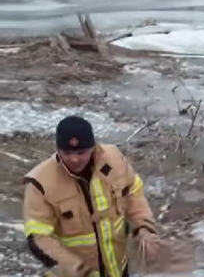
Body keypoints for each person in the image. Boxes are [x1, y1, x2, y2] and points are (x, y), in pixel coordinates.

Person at [23, 116, 161, 277]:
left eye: (81, 152)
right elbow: (39, 238)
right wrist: (77, 270)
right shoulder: (40, 183)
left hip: (118, 270)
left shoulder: (114, 159)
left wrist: (144, 228)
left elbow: (133, 193)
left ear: (93, 147)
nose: (74, 159)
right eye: (67, 153)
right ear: (58, 150)